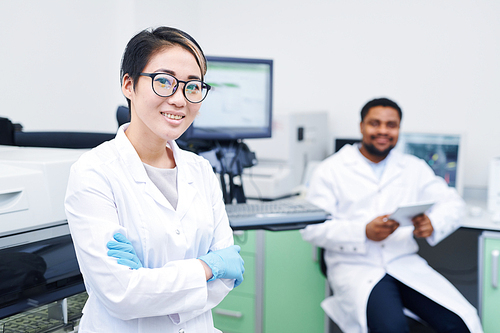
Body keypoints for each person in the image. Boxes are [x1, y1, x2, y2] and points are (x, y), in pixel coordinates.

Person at [65, 27, 244, 333]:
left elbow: (226, 281)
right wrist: (207, 266)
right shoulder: (94, 172)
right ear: (129, 84)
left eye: (193, 86)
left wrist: (149, 284)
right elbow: (122, 295)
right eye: (164, 81)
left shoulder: (201, 170)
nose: (179, 99)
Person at [300, 97, 483, 333]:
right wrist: (363, 231)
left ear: (399, 129)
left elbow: (453, 203)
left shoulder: (412, 167)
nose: (383, 131)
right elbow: (312, 228)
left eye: (391, 125)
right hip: (356, 267)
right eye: (375, 123)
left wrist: (433, 223)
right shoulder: (331, 169)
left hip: (402, 262)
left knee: (461, 322)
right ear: (361, 127)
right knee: (391, 328)